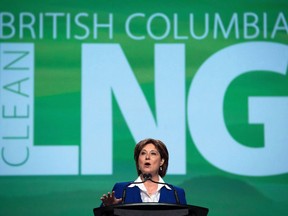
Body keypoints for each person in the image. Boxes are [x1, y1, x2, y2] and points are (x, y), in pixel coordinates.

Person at [100, 138, 187, 206]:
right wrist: (109, 207)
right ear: (138, 161)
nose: (147, 157)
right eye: (143, 153)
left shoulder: (176, 193)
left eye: (153, 153)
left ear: (162, 161)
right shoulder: (122, 189)